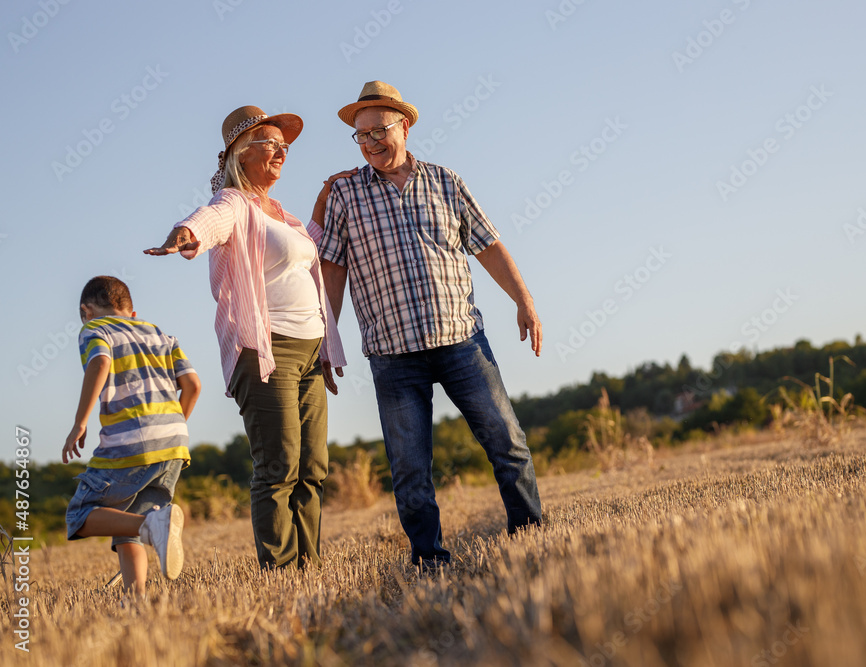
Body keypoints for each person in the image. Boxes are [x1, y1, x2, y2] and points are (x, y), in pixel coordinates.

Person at [311, 81, 543, 569]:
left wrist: (524, 300)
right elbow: (331, 269)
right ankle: (429, 558)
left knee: (508, 443)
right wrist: (327, 338)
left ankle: (530, 536)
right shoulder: (345, 195)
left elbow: (488, 245)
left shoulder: (445, 181)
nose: (371, 142)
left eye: (379, 130)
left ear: (406, 126)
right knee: (410, 470)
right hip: (393, 355)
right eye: (361, 136)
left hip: (462, 341)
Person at [144, 106, 353, 569]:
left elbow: (309, 250)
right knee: (278, 465)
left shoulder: (286, 216)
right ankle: (280, 573)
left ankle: (310, 566)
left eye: (284, 145)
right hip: (266, 350)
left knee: (312, 468)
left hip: (310, 351)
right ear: (241, 151)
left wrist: (323, 199)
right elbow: (210, 220)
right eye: (269, 142)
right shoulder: (234, 203)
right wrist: (186, 232)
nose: (281, 150)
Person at [63, 276, 201, 597]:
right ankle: (135, 601)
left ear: (86, 311)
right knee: (128, 526)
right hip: (175, 442)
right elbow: (193, 385)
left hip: (131, 442)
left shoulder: (95, 330)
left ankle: (152, 526)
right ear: (132, 312)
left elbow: (100, 362)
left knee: (79, 516)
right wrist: (170, 430)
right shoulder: (161, 335)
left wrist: (80, 422)